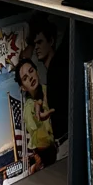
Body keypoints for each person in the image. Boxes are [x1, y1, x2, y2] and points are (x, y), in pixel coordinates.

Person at [26, 14, 68, 142]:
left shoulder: (58, 66)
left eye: (40, 42)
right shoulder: (50, 72)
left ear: (51, 41)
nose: (37, 47)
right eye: (35, 44)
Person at [14, 58, 57, 169]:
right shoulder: (28, 107)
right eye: (25, 78)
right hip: (48, 157)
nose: (30, 77)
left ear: (37, 71)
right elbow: (33, 116)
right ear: (23, 87)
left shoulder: (51, 88)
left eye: (31, 71)